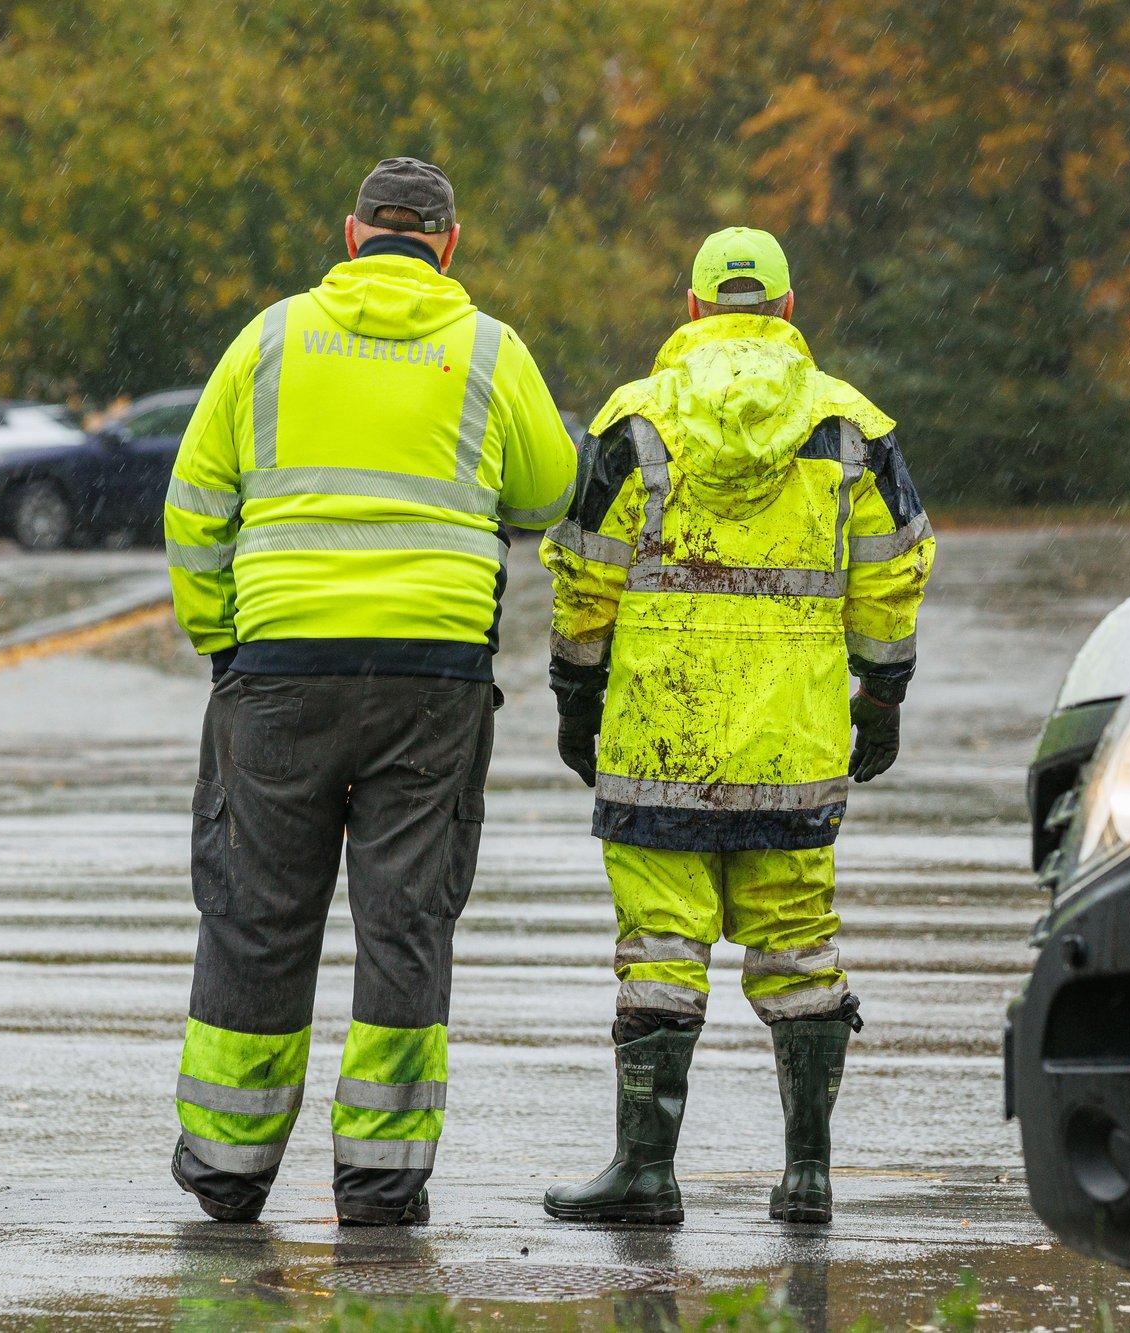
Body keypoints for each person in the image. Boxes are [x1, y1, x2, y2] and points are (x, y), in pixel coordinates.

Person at [163, 157, 578, 1226]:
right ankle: (381, 1180)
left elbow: (195, 503)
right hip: (429, 675)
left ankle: (226, 1168)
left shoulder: (268, 340)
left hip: (279, 673)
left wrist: (223, 637)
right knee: (403, 924)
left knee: (256, 916)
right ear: (446, 245)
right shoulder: (487, 348)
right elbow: (548, 488)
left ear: (353, 235)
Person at [539, 226, 934, 1226]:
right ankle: (806, 1176)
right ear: (787, 313)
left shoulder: (635, 419)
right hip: (791, 743)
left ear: (691, 309)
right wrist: (881, 693)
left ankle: (645, 1172)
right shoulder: (850, 425)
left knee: (660, 950)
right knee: (800, 949)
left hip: (657, 733)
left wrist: (572, 692)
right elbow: (894, 568)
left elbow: (583, 569)